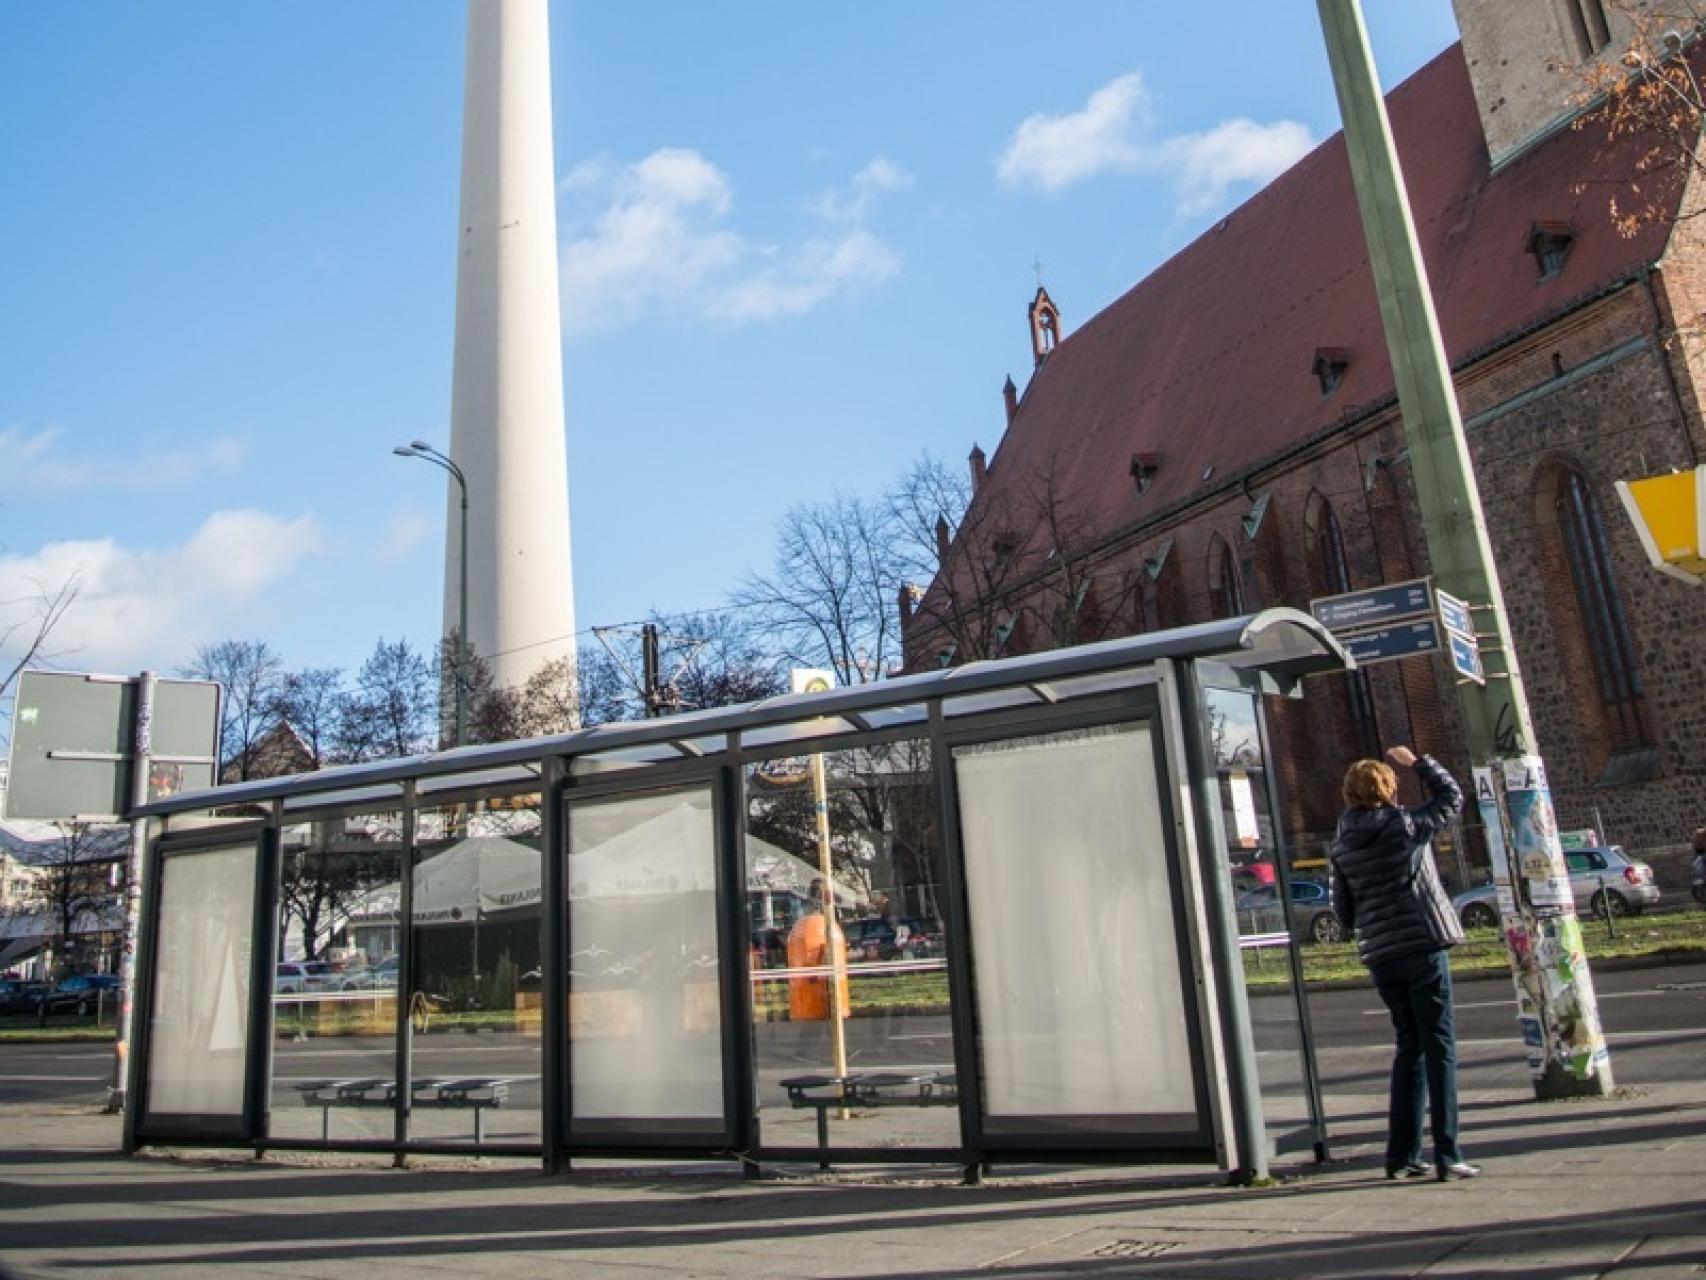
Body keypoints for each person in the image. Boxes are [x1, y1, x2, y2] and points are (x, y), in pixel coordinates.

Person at [1330, 745, 1480, 1182]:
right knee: (1439, 1047)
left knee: (1408, 1047)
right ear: (1389, 790)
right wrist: (1418, 763)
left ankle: (1401, 1156)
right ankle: (1448, 1154)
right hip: (1422, 946)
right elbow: (1452, 797)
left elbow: (1343, 912)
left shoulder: (1341, 846)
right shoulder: (1407, 826)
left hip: (1382, 956)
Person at [785, 879, 850, 1022]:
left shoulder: (816, 915)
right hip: (817, 939)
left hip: (820, 940)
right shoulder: (812, 915)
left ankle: (829, 1005)